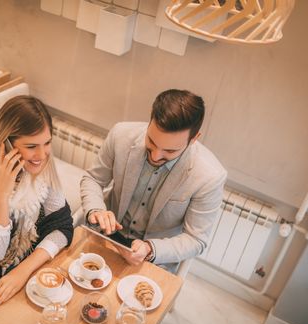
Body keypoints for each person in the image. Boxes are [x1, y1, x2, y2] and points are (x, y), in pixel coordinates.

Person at [80, 89, 227, 272]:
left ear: (194, 139)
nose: (156, 156)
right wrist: (96, 210)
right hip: (105, 236)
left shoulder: (210, 176)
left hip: (155, 258)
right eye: (151, 141)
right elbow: (93, 178)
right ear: (150, 121)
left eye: (170, 151)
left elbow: (196, 239)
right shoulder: (120, 135)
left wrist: (150, 248)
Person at [0, 95, 73, 317]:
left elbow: (63, 226)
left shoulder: (42, 165)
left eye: (47, 143)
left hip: (21, 265)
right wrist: (2, 194)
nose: (42, 155)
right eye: (31, 146)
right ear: (6, 146)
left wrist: (24, 270)